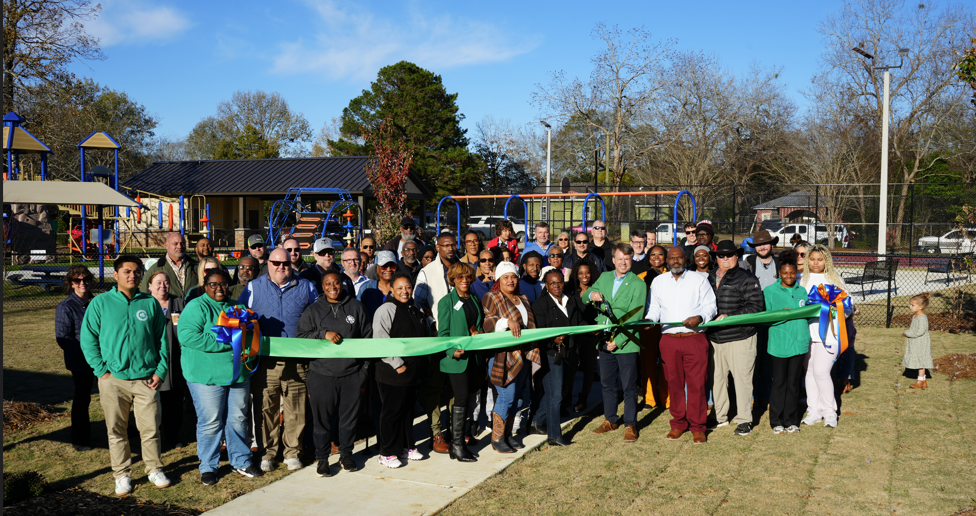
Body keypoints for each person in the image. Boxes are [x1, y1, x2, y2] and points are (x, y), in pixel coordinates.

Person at [81, 255, 170, 496]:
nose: (133, 275)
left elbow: (161, 340)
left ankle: (154, 469)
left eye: (137, 271)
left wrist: (160, 371)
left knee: (150, 428)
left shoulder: (150, 303)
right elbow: (88, 339)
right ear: (116, 274)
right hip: (113, 380)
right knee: (116, 430)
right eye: (127, 271)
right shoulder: (100, 303)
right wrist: (101, 370)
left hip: (146, 379)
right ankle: (122, 474)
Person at [178, 269, 262, 485]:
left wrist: (245, 347)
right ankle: (208, 466)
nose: (219, 288)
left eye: (223, 284)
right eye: (213, 284)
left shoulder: (238, 307)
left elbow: (249, 335)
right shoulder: (196, 306)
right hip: (206, 376)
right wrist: (228, 342)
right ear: (205, 286)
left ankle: (241, 460)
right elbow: (188, 336)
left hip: (238, 375)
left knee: (238, 418)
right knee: (211, 421)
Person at [240, 247, 318, 472]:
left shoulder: (306, 287)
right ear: (268, 264)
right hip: (265, 361)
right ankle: (268, 453)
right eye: (276, 263)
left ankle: (293, 453)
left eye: (285, 263)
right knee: (266, 409)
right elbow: (239, 316)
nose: (281, 267)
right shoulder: (253, 287)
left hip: (297, 359)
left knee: (296, 408)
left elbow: (318, 315)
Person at [296, 271, 372, 477]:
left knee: (348, 420)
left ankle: (346, 454)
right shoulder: (313, 310)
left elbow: (368, 337)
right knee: (322, 421)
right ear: (322, 286)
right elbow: (301, 337)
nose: (332, 287)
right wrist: (323, 334)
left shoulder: (356, 307)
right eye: (328, 284)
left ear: (342, 284)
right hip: (321, 374)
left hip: (352, 374)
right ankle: (322, 458)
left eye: (336, 283)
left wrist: (364, 368)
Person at [645, 247, 717, 445]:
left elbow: (710, 305)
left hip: (694, 338)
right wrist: (650, 320)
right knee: (674, 383)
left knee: (696, 384)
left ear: (685, 259)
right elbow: (654, 307)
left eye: (679, 257)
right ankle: (678, 423)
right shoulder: (659, 281)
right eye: (671, 258)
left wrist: (700, 317)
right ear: (667, 261)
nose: (675, 261)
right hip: (669, 339)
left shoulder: (698, 279)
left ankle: (698, 427)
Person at [584, 244, 647, 443]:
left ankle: (630, 424)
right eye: (620, 258)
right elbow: (585, 295)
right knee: (607, 384)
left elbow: (634, 317)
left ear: (631, 260)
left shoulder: (638, 284)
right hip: (604, 340)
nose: (623, 262)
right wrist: (591, 295)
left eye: (627, 259)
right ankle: (610, 419)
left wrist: (617, 341)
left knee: (629, 386)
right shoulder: (604, 277)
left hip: (626, 342)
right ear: (613, 260)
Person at [371, 273, 429, 468]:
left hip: (413, 373)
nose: (405, 291)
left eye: (408, 287)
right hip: (392, 373)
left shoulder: (415, 308)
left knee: (408, 412)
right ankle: (387, 452)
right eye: (400, 288)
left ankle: (406, 446)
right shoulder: (385, 310)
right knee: (392, 413)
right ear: (391, 290)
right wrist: (397, 364)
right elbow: (380, 340)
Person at [707, 240, 765, 436]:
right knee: (717, 380)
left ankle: (744, 420)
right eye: (721, 255)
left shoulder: (747, 278)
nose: (725, 258)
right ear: (716, 258)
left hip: (740, 336)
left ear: (737, 256)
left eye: (729, 255)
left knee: (742, 380)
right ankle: (719, 416)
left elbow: (756, 307)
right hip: (715, 337)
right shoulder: (709, 277)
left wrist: (730, 317)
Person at [482, 261, 539, 453]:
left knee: (516, 399)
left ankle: (507, 435)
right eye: (505, 277)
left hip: (522, 354)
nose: (510, 280)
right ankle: (496, 438)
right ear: (498, 280)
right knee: (507, 396)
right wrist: (507, 322)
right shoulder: (491, 297)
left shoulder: (523, 298)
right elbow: (488, 323)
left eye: (513, 276)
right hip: (502, 356)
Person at [414, 232, 459, 453]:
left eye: (453, 245)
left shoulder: (462, 268)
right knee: (435, 386)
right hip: (438, 338)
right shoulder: (427, 272)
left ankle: (455, 430)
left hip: (460, 338)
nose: (450, 248)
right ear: (438, 247)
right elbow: (417, 303)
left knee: (456, 387)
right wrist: (432, 322)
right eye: (445, 245)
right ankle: (436, 433)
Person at [799, 244, 852, 429]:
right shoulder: (802, 280)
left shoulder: (834, 279)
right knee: (809, 372)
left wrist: (833, 311)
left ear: (826, 261)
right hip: (807, 334)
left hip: (830, 334)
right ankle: (814, 411)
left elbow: (847, 306)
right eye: (812, 259)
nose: (816, 263)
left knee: (821, 372)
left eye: (820, 259)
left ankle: (830, 412)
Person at [437, 263, 485, 462]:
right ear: (453, 280)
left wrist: (478, 332)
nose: (464, 280)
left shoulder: (474, 298)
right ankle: (457, 445)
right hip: (455, 359)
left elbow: (478, 325)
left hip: (473, 357)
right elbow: (442, 334)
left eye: (468, 277)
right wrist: (450, 351)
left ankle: (459, 444)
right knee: (461, 398)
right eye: (459, 277)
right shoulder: (446, 302)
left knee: (467, 399)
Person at [531, 269, 581, 446]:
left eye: (559, 282)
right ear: (546, 285)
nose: (557, 286)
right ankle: (554, 435)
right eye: (552, 283)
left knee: (555, 393)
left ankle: (537, 421)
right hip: (551, 355)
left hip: (569, 352)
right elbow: (539, 331)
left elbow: (579, 323)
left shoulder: (570, 300)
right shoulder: (540, 305)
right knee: (556, 396)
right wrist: (552, 339)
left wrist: (594, 329)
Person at [763, 253, 809, 435]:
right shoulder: (770, 291)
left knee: (794, 383)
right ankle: (776, 420)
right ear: (779, 274)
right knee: (779, 382)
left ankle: (791, 420)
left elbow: (808, 313)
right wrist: (783, 314)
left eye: (792, 273)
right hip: (779, 344)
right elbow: (766, 317)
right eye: (785, 273)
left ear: (796, 273)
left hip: (799, 343)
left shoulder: (802, 291)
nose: (789, 276)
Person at [55, 264, 96, 452]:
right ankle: (80, 439)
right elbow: (63, 338)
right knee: (82, 398)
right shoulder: (65, 307)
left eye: (85, 279)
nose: (82, 283)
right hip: (81, 361)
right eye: (77, 280)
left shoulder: (97, 302)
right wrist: (87, 355)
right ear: (71, 283)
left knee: (116, 395)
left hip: (104, 357)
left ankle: (125, 429)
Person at [147, 270, 189, 450]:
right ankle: (153, 437)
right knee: (153, 402)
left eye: (166, 282)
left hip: (176, 361)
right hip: (152, 361)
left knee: (175, 401)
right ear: (149, 286)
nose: (162, 286)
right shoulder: (144, 304)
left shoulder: (180, 303)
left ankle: (172, 436)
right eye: (158, 282)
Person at [565, 260, 600, 412]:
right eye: (580, 273)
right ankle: (566, 398)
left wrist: (598, 327)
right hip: (575, 335)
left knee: (588, 369)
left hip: (591, 336)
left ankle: (583, 398)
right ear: (576, 275)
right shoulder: (572, 292)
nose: (584, 276)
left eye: (587, 272)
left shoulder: (597, 291)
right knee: (571, 369)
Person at [141, 232, 198, 298]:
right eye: (175, 244)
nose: (179, 247)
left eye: (182, 243)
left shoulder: (196, 267)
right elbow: (144, 295)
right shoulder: (155, 269)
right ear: (166, 245)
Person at [903, 292, 933, 390]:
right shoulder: (915, 317)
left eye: (913, 305)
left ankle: (919, 381)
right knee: (919, 361)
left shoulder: (923, 318)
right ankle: (924, 381)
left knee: (921, 362)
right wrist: (908, 333)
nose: (910, 307)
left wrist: (907, 333)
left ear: (921, 307)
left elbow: (920, 331)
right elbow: (914, 329)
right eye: (910, 305)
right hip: (915, 343)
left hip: (921, 343)